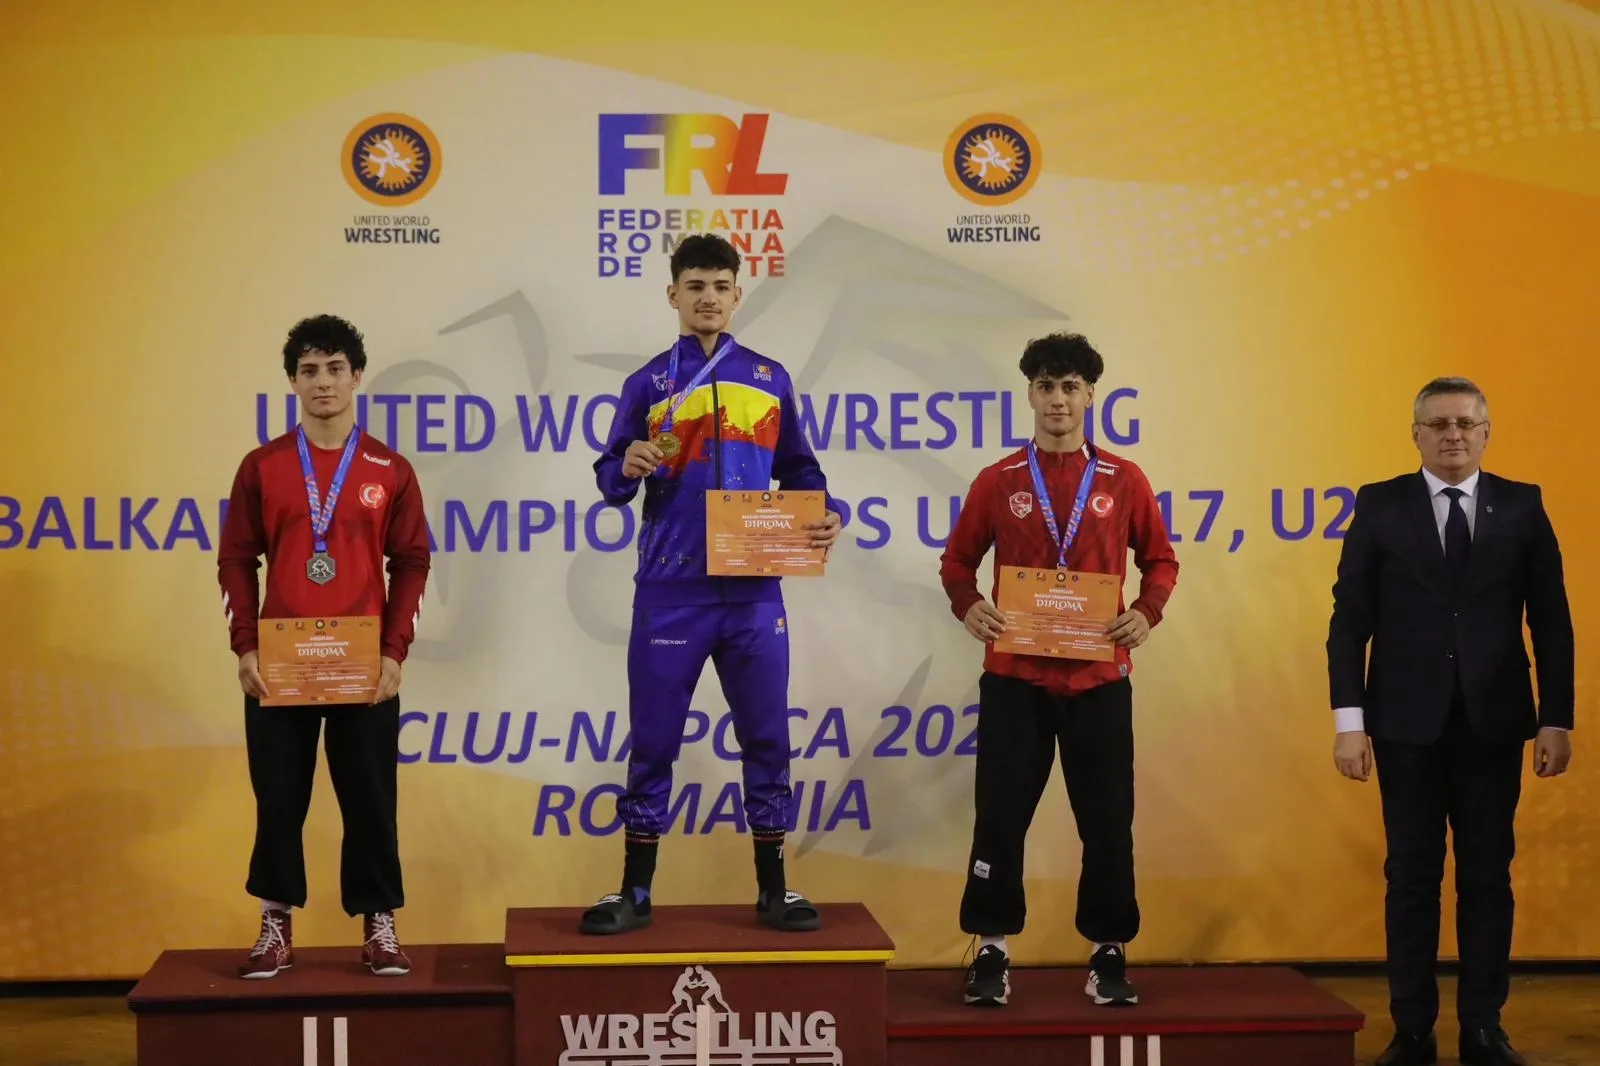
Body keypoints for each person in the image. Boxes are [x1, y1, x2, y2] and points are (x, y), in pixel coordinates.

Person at [585, 233, 843, 935]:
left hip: (754, 593)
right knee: (654, 743)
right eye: (695, 285)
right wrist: (625, 465)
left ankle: (774, 889)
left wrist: (827, 512)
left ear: (737, 295)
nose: (708, 297)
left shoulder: (769, 377)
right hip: (671, 591)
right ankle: (636, 891)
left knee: (767, 740)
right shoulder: (648, 383)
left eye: (721, 286)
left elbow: (802, 470)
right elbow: (610, 475)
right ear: (673, 294)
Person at [1326, 376, 1573, 1066]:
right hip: (1404, 725)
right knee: (1411, 878)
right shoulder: (1381, 505)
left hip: (1494, 724)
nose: (1453, 435)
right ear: (1416, 435)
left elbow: (1551, 620)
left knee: (1488, 878)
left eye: (1465, 423)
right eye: (1438, 424)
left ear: (1486, 432)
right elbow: (1349, 621)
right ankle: (1412, 1029)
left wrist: (1556, 718)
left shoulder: (1522, 506)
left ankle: (1483, 1027)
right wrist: (1349, 721)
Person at [939, 332, 1179, 1009]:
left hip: (1098, 681)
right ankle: (991, 948)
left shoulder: (1123, 479)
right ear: (1030, 395)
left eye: (1070, 386)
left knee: (1106, 822)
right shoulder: (1000, 480)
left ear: (1090, 395)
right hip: (1014, 679)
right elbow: (957, 563)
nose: (1058, 399)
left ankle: (1108, 951)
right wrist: (969, 605)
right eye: (1046, 386)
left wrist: (1147, 612)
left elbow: (1161, 561)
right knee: (1000, 817)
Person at [217, 314, 432, 979]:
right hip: (279, 666)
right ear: (292, 382)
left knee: (371, 799)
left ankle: (379, 924)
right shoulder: (263, 467)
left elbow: (413, 561)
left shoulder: (390, 469)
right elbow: (235, 559)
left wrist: (394, 651)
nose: (323, 382)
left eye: (336, 368)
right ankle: (275, 923)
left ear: (357, 376)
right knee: (279, 799)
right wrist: (246, 647)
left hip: (363, 665)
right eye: (309, 370)